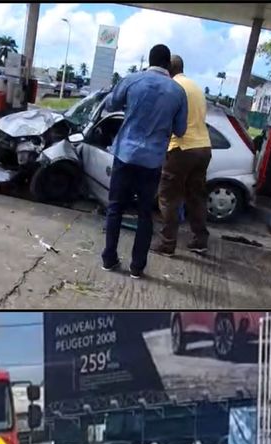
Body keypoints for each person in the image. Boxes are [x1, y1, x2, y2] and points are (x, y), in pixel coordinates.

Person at [100, 44, 188, 279]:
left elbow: (110, 105)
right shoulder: (178, 92)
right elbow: (180, 130)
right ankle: (137, 267)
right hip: (152, 161)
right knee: (145, 214)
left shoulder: (132, 80)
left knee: (116, 208)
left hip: (125, 154)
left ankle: (109, 259)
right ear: (168, 64)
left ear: (149, 60)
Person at [152, 55, 212, 255]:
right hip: (203, 148)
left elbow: (167, 120)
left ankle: (168, 244)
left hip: (181, 149)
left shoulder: (173, 88)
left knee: (169, 197)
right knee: (196, 197)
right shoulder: (195, 87)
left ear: (168, 68)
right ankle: (200, 240)